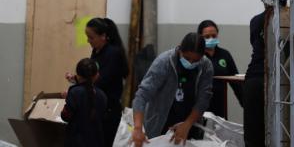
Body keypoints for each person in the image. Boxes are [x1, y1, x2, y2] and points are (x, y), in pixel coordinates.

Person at [132, 33, 213, 147]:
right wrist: (138, 128)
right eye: (187, 58)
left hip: (190, 123)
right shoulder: (164, 62)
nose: (191, 63)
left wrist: (187, 124)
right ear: (180, 49)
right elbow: (142, 95)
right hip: (160, 123)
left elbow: (203, 100)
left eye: (195, 61)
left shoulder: (206, 65)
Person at [85, 17, 129, 147]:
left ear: (103, 36)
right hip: (97, 108)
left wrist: (81, 85)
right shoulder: (96, 51)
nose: (88, 41)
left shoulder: (113, 54)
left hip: (108, 111)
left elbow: (101, 80)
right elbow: (91, 75)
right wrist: (78, 79)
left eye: (91, 38)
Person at [197, 20, 243, 118]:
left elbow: (236, 82)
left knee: (220, 131)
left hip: (221, 104)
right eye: (207, 37)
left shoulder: (224, 54)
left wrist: (245, 104)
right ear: (200, 37)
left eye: (214, 36)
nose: (211, 39)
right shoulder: (196, 56)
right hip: (199, 105)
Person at [243, 2, 273, 147]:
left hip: (254, 78)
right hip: (271, 79)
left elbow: (254, 43)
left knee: (253, 135)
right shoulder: (286, 20)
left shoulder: (255, 20)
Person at [61, 58, 107, 147]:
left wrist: (67, 99)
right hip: (96, 142)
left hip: (75, 142)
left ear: (77, 75)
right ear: (97, 75)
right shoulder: (102, 95)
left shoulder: (75, 92)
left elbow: (65, 116)